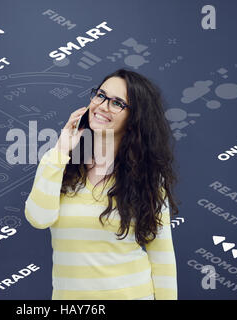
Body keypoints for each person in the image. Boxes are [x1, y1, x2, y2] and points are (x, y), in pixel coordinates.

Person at [24, 68, 180, 300]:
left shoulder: (147, 179)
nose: (103, 106)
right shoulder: (63, 166)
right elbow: (38, 218)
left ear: (134, 118)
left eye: (117, 103)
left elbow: (162, 258)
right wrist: (59, 151)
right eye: (101, 95)